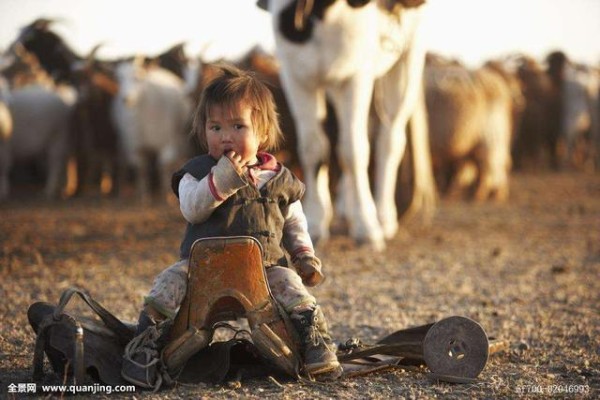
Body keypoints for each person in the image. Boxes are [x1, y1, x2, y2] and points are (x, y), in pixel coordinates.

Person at [121, 63, 342, 389]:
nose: (225, 136)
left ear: (263, 132)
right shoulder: (195, 172)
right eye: (215, 127)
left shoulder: (279, 179)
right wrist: (219, 182)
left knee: (293, 286)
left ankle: (314, 342)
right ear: (203, 131)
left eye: (238, 126)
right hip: (201, 269)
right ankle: (144, 347)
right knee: (167, 285)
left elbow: (294, 222)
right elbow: (192, 210)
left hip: (264, 269)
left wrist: (304, 256)